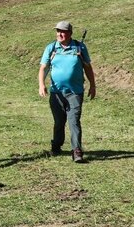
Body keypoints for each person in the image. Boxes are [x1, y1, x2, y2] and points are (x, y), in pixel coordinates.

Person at [38, 20, 96, 163]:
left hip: (75, 92)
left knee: (74, 121)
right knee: (59, 121)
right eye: (58, 31)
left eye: (63, 31)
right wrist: (41, 84)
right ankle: (56, 146)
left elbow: (88, 67)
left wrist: (93, 85)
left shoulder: (79, 47)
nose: (60, 34)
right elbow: (43, 68)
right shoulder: (51, 48)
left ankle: (76, 151)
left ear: (70, 33)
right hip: (56, 93)